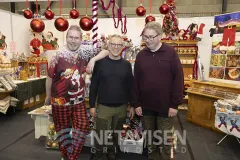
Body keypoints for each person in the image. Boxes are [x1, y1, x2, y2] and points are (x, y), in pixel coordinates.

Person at [45, 25, 109, 160]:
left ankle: (71, 156)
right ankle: (67, 156)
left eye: (76, 38)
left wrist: (93, 59)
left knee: (83, 126)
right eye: (70, 37)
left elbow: (106, 51)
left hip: (78, 100)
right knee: (62, 131)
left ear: (81, 39)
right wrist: (48, 96)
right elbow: (49, 78)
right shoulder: (58, 56)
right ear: (66, 38)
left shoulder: (84, 52)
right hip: (59, 101)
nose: (73, 41)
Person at [131, 21, 184, 160]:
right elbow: (135, 81)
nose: (147, 40)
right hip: (146, 107)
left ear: (160, 36)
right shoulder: (141, 55)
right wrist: (136, 103)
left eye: (151, 37)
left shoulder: (171, 53)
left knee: (165, 140)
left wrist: (175, 104)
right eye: (145, 36)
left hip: (165, 107)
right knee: (150, 139)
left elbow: (178, 79)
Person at [89, 34, 135, 160]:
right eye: (113, 44)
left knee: (116, 134)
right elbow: (93, 86)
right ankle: (100, 155)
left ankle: (112, 152)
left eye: (119, 45)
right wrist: (92, 105)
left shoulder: (126, 65)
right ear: (108, 46)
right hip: (104, 107)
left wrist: (132, 105)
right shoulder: (100, 64)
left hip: (121, 107)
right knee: (101, 135)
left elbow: (131, 86)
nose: (116, 47)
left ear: (122, 47)